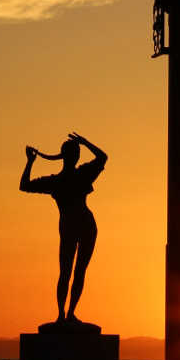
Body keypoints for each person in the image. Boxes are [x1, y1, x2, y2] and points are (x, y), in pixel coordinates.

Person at [20, 132, 107, 323]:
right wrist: (85, 142)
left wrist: (30, 162)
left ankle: (67, 314)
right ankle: (63, 315)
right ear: (72, 156)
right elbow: (25, 186)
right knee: (69, 271)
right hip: (72, 226)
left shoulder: (70, 177)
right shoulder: (66, 178)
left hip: (84, 226)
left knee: (74, 271)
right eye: (75, 153)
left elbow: (24, 185)